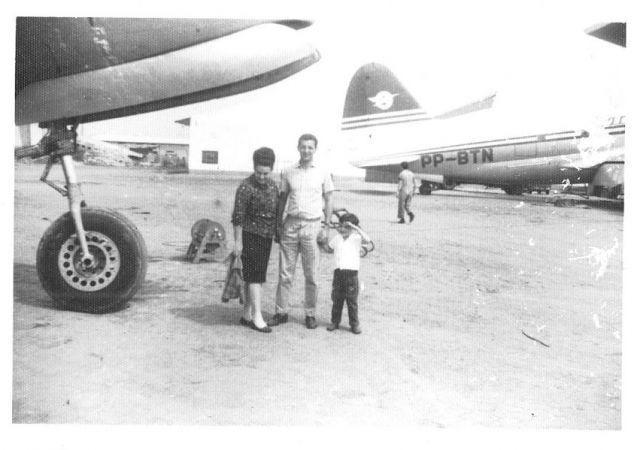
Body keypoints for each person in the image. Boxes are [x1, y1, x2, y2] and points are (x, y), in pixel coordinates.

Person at [268, 133, 335, 329]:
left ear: (315, 149)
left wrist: (327, 226)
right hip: (290, 225)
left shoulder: (323, 172)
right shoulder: (288, 171)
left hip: (312, 226)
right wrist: (278, 224)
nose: (306, 150)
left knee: (311, 275)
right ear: (298, 147)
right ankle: (281, 312)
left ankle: (310, 314)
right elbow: (282, 198)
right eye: (303, 146)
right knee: (285, 273)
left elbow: (329, 199)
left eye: (310, 147)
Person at [231, 147, 279, 333]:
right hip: (249, 236)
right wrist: (238, 242)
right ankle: (257, 316)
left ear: (271, 169)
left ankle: (246, 314)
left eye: (265, 173)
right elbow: (237, 217)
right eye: (258, 172)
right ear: (253, 167)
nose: (261, 177)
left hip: (266, 238)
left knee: (255, 277)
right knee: (255, 277)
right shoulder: (245, 187)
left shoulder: (274, 187)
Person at [325, 213, 371, 334]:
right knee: (337, 299)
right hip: (338, 273)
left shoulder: (356, 238)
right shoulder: (337, 238)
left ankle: (354, 324)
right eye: (341, 226)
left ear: (353, 228)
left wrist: (356, 228)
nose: (343, 229)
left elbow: (368, 240)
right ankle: (335, 321)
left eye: (347, 227)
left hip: (351, 274)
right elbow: (328, 248)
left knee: (352, 301)